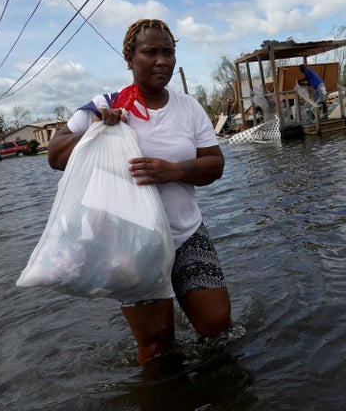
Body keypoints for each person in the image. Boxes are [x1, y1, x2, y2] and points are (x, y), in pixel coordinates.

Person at [48, 19, 231, 364]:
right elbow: (55, 156)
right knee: (156, 347)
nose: (162, 60)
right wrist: (98, 129)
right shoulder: (106, 104)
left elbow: (215, 164)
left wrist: (174, 171)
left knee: (217, 328)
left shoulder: (189, 108)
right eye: (150, 52)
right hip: (130, 243)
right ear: (129, 58)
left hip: (187, 234)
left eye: (169, 52)